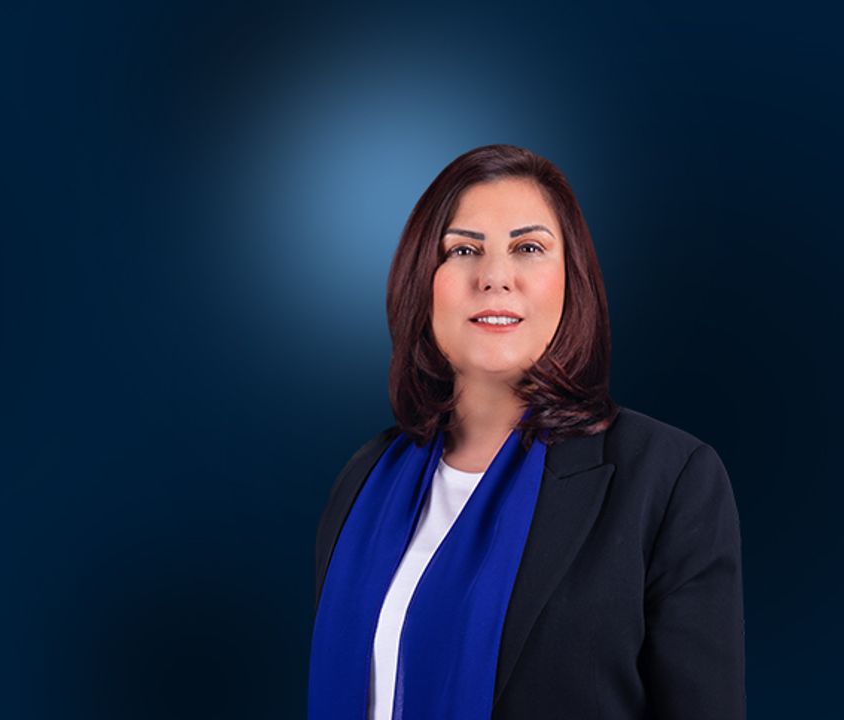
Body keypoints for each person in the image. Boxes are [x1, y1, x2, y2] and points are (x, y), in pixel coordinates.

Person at [308, 144, 745, 720]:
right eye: (464, 250)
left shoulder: (668, 480)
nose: (494, 277)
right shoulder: (366, 478)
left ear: (571, 279)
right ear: (422, 280)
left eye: (529, 248)